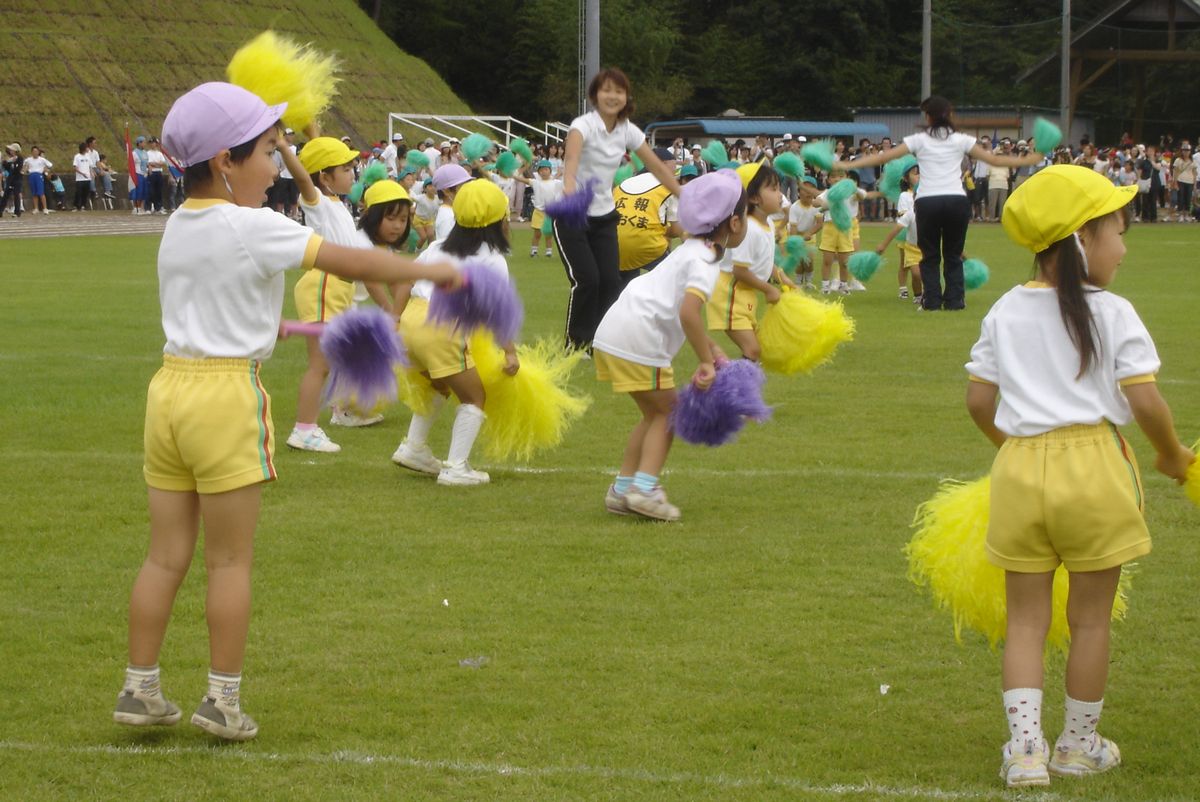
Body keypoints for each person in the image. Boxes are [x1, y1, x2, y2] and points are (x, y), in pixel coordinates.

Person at [114, 81, 458, 742]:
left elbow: (209, 298)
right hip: (223, 398)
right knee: (229, 562)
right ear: (225, 160)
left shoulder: (178, 224)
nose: (276, 168)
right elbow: (348, 258)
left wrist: (256, 323)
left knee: (164, 557)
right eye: (269, 153)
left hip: (169, 394)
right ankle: (222, 701)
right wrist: (433, 273)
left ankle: (140, 688)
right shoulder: (253, 225)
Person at [964, 165, 1194, 788]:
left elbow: (979, 402)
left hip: (1018, 469)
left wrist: (1012, 452)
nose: (1125, 244)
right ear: (1083, 239)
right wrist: (1173, 457)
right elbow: (1145, 403)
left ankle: (1025, 751)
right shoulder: (1114, 310)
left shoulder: (1006, 309)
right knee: (1091, 619)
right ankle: (1078, 744)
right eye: (1119, 229)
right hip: (1095, 468)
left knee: (1026, 619)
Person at [592, 170, 743, 522]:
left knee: (653, 413)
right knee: (669, 413)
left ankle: (622, 488)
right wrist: (705, 363)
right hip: (639, 337)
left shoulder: (688, 248)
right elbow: (689, 311)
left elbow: (674, 305)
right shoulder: (706, 258)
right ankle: (644, 491)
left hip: (615, 330)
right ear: (735, 222)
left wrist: (710, 346)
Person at [834, 96, 1040, 311]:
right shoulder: (961, 139)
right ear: (950, 115)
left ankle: (931, 301)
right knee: (953, 254)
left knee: (930, 255)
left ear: (928, 117)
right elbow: (995, 160)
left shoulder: (919, 139)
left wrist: (845, 163)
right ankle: (955, 301)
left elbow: (882, 158)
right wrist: (1030, 159)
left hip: (928, 202)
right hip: (956, 201)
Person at [392, 179, 519, 486]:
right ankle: (456, 468)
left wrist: (395, 320)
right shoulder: (492, 258)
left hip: (412, 324)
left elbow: (405, 281)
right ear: (497, 221)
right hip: (443, 328)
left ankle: (413, 448)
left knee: (439, 384)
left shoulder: (436, 247)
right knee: (475, 397)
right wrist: (510, 351)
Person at [557, 67, 681, 353]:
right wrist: (569, 186)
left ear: (626, 97)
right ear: (595, 95)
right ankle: (574, 345)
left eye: (619, 91)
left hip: (605, 216)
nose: (612, 96)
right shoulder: (582, 126)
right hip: (573, 214)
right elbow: (572, 159)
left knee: (611, 282)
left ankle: (597, 342)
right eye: (606, 90)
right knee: (587, 280)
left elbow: (656, 166)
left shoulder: (628, 130)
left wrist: (682, 193)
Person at [285, 133, 391, 454]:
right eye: (344, 169)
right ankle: (305, 429)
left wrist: (313, 132)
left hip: (337, 287)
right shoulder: (317, 202)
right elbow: (305, 177)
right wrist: (281, 147)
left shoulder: (336, 204)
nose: (352, 174)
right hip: (324, 285)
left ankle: (341, 412)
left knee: (338, 357)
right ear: (325, 177)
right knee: (321, 364)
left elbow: (318, 162)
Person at [705, 162, 784, 361]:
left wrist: (784, 280)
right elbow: (740, 271)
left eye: (779, 188)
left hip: (744, 295)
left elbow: (764, 263)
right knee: (753, 350)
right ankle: (728, 387)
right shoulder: (749, 229)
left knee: (755, 351)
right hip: (730, 293)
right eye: (773, 189)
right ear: (755, 198)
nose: (780, 194)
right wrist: (769, 289)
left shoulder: (769, 224)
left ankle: (733, 386)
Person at [613, 146, 678, 286]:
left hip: (613, 245)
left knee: (623, 289)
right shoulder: (668, 186)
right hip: (647, 246)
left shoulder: (624, 183)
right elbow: (677, 231)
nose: (675, 173)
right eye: (674, 167)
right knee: (670, 279)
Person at [872, 161, 924, 303]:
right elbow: (903, 216)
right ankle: (903, 289)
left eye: (919, 172)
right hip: (905, 233)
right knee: (904, 264)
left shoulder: (925, 193)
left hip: (920, 237)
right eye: (914, 173)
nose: (918, 175)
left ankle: (921, 293)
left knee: (922, 269)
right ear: (906, 179)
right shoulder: (905, 196)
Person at [515, 159, 563, 258]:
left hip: (550, 213)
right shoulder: (536, 182)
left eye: (546, 169)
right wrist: (512, 175)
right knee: (537, 233)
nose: (543, 172)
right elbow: (522, 179)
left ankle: (548, 252)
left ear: (550, 170)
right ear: (538, 172)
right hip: (538, 212)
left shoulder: (556, 183)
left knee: (549, 233)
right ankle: (534, 251)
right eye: (541, 170)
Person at [787, 176, 822, 289]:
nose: (807, 192)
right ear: (799, 191)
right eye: (804, 189)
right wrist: (794, 241)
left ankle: (808, 281)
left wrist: (809, 234)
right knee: (798, 261)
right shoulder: (794, 207)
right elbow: (793, 227)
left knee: (808, 260)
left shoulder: (816, 206)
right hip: (797, 236)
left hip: (810, 237)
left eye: (811, 189)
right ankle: (798, 282)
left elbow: (819, 223)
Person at [431, 163, 471, 241]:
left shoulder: (453, 211)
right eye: (462, 187)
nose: (467, 191)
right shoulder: (448, 217)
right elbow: (450, 249)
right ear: (447, 191)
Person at [23, 145, 53, 214]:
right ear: (31, 152)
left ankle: (45, 208)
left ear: (38, 152)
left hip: (39, 175)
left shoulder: (42, 159)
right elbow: (24, 167)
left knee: (41, 192)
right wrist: (25, 170)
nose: (35, 153)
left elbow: (50, 165)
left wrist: (46, 170)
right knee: (34, 193)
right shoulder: (28, 160)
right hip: (31, 175)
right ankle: (36, 208)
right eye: (33, 151)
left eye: (36, 151)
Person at [412, 178, 440, 249]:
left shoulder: (437, 199)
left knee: (431, 235)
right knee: (423, 237)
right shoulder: (421, 198)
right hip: (418, 220)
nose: (432, 188)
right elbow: (411, 198)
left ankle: (430, 250)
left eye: (434, 186)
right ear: (425, 189)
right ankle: (417, 250)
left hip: (429, 220)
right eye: (430, 186)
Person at [145, 137, 167, 214]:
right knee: (150, 191)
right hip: (151, 173)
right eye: (151, 143)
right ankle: (148, 207)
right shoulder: (147, 153)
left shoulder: (160, 153)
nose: (152, 144)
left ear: (156, 144)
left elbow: (163, 163)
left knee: (159, 191)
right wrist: (156, 164)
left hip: (159, 173)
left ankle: (159, 207)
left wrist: (155, 164)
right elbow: (148, 163)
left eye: (153, 143)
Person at [2, 143, 23, 217]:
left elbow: (18, 169)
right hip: (10, 179)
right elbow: (6, 166)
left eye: (12, 150)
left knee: (16, 195)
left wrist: (13, 163)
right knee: (6, 195)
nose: (10, 151)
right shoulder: (10, 158)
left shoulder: (20, 158)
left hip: (17, 179)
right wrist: (7, 162)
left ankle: (17, 212)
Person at [72, 142, 93, 211]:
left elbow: (90, 166)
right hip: (79, 179)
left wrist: (92, 173)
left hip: (87, 178)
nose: (88, 149)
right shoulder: (77, 156)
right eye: (86, 147)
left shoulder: (88, 156)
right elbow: (75, 167)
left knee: (85, 193)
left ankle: (83, 206)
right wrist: (82, 173)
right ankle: (75, 206)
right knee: (78, 193)